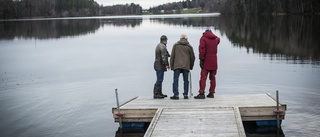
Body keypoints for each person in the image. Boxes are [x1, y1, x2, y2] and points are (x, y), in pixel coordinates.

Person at [194, 29, 220, 99]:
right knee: (213, 78)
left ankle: (201, 93)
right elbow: (218, 39)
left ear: (205, 33)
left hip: (206, 60)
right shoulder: (216, 39)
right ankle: (211, 93)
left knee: (203, 78)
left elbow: (202, 50)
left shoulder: (203, 39)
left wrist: (201, 59)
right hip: (214, 61)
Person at [170, 34, 195, 100]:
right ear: (186, 39)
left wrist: (172, 66)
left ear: (180, 39)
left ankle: (176, 95)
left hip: (177, 65)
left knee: (175, 80)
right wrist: (191, 66)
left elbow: (172, 56)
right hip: (186, 65)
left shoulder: (175, 45)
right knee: (186, 81)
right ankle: (185, 94)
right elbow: (192, 57)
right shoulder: (189, 47)